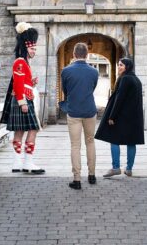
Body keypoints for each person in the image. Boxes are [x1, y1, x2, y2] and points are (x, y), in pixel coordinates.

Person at [0, 22, 45, 174]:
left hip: (24, 97)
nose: (34, 51)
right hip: (24, 100)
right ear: (26, 47)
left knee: (19, 132)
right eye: (32, 49)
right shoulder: (20, 62)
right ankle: (28, 162)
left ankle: (17, 163)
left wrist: (31, 82)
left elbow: (22, 82)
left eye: (35, 49)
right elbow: (18, 85)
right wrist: (22, 102)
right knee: (34, 129)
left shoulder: (23, 63)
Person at [95, 58, 144, 177]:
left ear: (127, 66)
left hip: (123, 116)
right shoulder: (136, 79)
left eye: (121, 65)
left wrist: (112, 116)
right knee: (132, 142)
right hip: (134, 117)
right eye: (118, 65)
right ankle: (129, 168)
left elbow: (119, 98)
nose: (119, 67)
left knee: (113, 139)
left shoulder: (125, 79)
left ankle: (116, 167)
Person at [60, 43, 99, 190]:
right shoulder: (94, 72)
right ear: (87, 54)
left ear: (74, 54)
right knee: (90, 142)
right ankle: (92, 175)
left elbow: (65, 90)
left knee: (75, 145)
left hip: (74, 111)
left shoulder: (66, 71)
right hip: (89, 110)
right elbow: (92, 88)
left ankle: (77, 179)